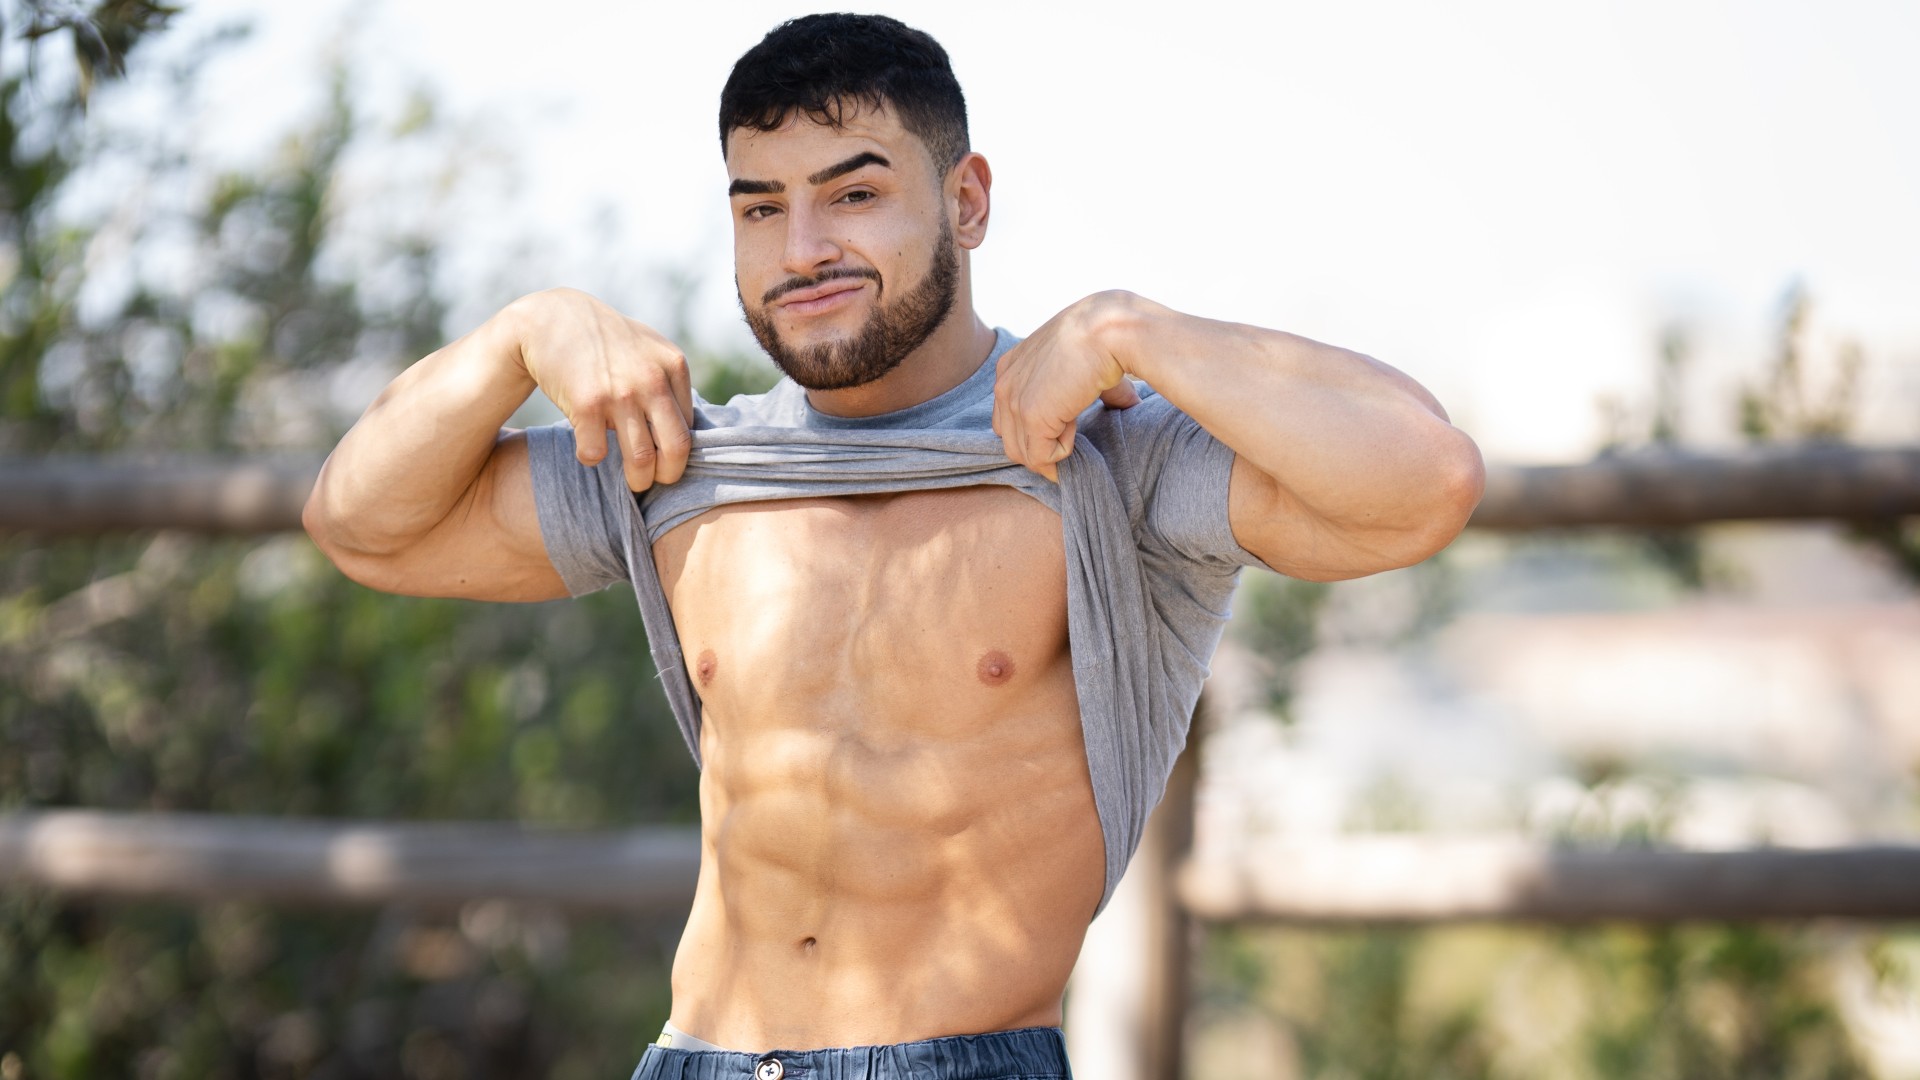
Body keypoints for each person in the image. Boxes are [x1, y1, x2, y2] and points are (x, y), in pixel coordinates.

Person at [303, 13, 1484, 1079]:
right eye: (760, 207)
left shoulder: (1102, 462)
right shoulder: (692, 469)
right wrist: (522, 334)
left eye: (853, 193)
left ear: (967, 202)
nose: (802, 248)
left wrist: (1133, 328)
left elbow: (1425, 482)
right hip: (697, 1059)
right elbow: (363, 525)